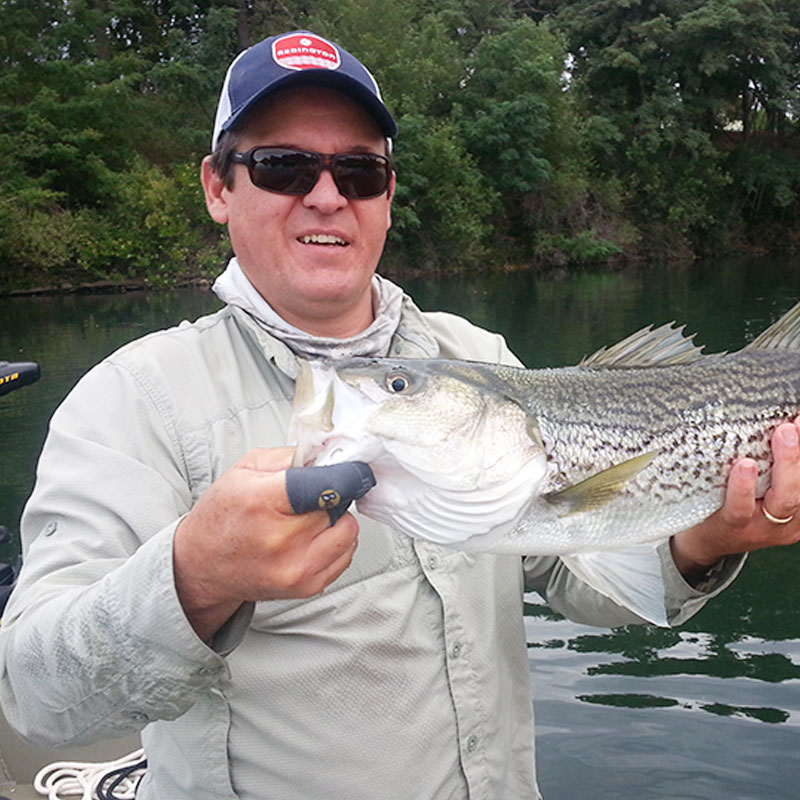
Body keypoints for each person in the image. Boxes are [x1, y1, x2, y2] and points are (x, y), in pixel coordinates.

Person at [1, 30, 799, 800]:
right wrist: (193, 579)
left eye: (358, 170)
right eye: (282, 167)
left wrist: (706, 539)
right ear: (218, 187)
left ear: (387, 194)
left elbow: (568, 563)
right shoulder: (136, 397)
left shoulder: (474, 351)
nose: (326, 195)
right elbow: (36, 697)